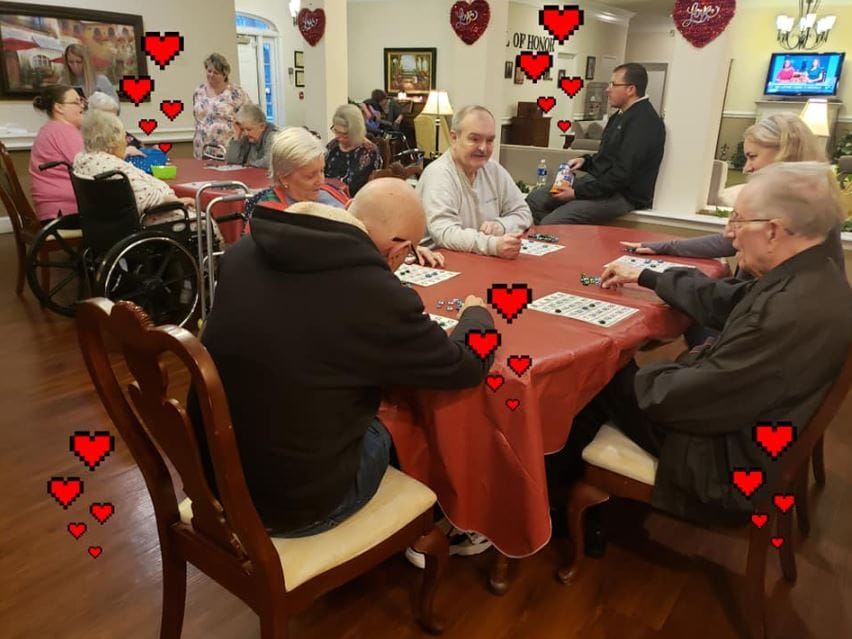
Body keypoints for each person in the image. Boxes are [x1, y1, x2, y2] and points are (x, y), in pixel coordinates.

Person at [549, 161, 852, 526]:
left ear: (773, 231)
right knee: (617, 371)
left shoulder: (786, 312)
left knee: (597, 375)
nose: (730, 233)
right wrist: (647, 276)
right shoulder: (815, 274)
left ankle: (556, 505)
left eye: (738, 221)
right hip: (742, 424)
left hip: (723, 458)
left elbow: (680, 399)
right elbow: (725, 297)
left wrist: (634, 364)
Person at [190, 178, 494, 537]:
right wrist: (478, 317)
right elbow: (465, 366)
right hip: (295, 504)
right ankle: (442, 524)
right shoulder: (375, 295)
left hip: (211, 473)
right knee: (399, 421)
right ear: (399, 250)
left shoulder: (243, 252)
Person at [621, 114, 843, 270]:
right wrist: (663, 248)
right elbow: (730, 241)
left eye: (753, 156)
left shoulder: (804, 206)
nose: (746, 168)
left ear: (784, 153)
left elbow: (729, 243)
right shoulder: (811, 195)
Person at [526, 63, 666, 225]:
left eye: (613, 84)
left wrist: (576, 193)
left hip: (621, 195)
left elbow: (621, 175)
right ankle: (547, 240)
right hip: (599, 184)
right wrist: (585, 161)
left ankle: (553, 238)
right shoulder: (619, 116)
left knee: (553, 221)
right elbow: (607, 158)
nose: (607, 89)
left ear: (631, 89)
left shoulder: (644, 123)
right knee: (534, 200)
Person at [72, 110, 219, 238]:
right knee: (206, 221)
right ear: (112, 140)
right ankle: (214, 266)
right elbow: (149, 199)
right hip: (147, 222)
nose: (126, 142)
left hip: (106, 225)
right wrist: (179, 201)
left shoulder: (83, 160)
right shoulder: (116, 169)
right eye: (124, 138)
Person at [416, 105, 533, 259]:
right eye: (474, 139)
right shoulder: (439, 174)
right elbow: (445, 233)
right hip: (442, 264)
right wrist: (492, 244)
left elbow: (523, 213)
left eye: (490, 140)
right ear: (454, 138)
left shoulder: (493, 169)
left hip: (478, 259)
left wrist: (500, 226)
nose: (484, 148)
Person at [28, 84, 85, 221]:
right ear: (59, 107)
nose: (82, 107)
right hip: (65, 212)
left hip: (50, 209)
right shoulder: (63, 131)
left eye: (82, 101)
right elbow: (88, 165)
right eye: (76, 102)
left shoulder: (49, 129)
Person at [192, 53, 248, 159]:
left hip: (226, 147)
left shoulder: (236, 93)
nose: (211, 75)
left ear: (224, 74)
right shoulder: (199, 91)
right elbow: (196, 116)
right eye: (209, 71)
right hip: (201, 147)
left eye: (216, 73)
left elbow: (248, 117)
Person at [325, 104, 383, 196]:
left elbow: (350, 185)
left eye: (344, 134)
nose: (338, 137)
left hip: (352, 202)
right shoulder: (333, 145)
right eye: (336, 131)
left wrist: (323, 184)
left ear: (356, 131)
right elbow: (320, 171)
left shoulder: (368, 151)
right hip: (326, 194)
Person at [86, 92, 145, 157]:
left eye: (115, 117)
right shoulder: (89, 137)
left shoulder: (121, 134)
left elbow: (141, 148)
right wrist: (125, 153)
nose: (113, 122)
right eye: (108, 119)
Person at [223, 103, 279, 168]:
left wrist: (250, 164)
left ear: (262, 126)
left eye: (249, 129)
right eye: (242, 129)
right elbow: (231, 160)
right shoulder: (246, 137)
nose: (246, 133)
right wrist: (237, 135)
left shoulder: (273, 136)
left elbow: (270, 161)